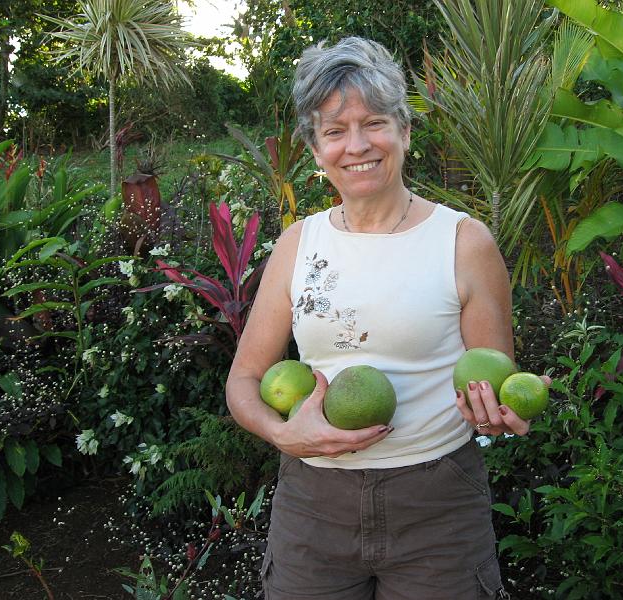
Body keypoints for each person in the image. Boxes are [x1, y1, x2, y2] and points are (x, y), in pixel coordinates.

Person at [225, 36, 538, 599]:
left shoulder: (463, 242)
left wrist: (496, 413)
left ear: (405, 131)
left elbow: (492, 378)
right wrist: (282, 432)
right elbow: (245, 379)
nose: (357, 145)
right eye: (335, 131)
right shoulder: (299, 244)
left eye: (374, 123)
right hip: (312, 507)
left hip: (437, 504)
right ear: (316, 150)